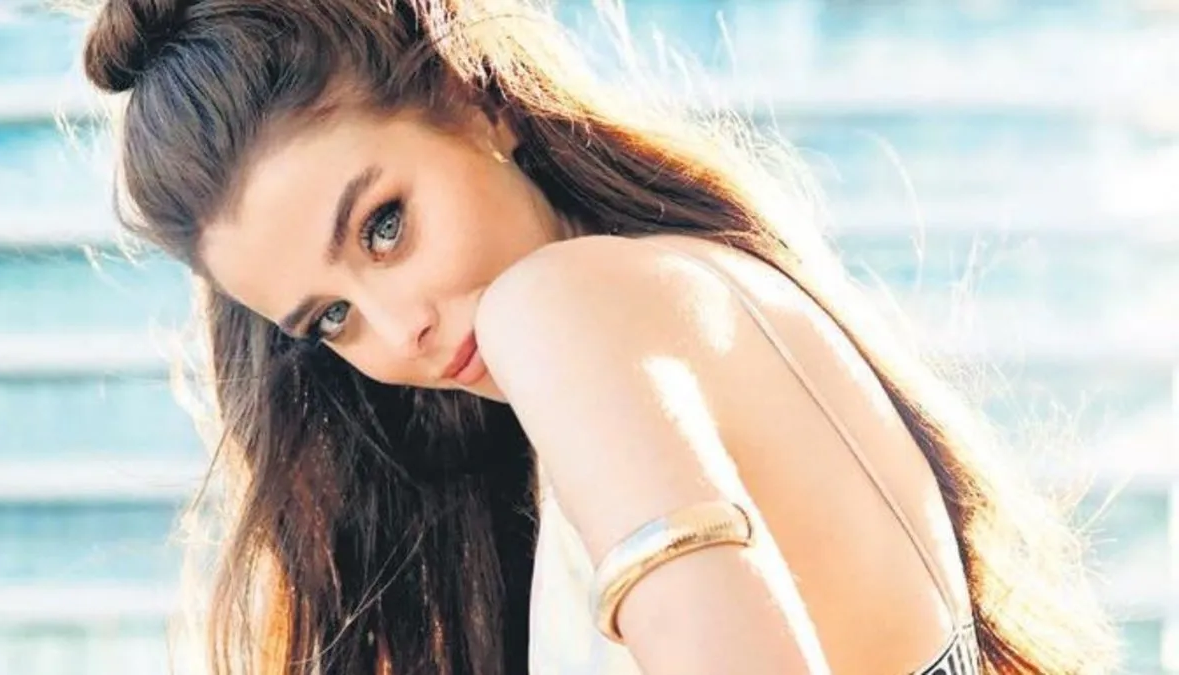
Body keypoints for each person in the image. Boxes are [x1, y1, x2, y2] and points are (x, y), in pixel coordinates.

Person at [81, 0, 1115, 673]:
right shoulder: (697, 290)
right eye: (331, 319)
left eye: (384, 225)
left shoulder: (557, 306)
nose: (402, 330)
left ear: (473, 101)